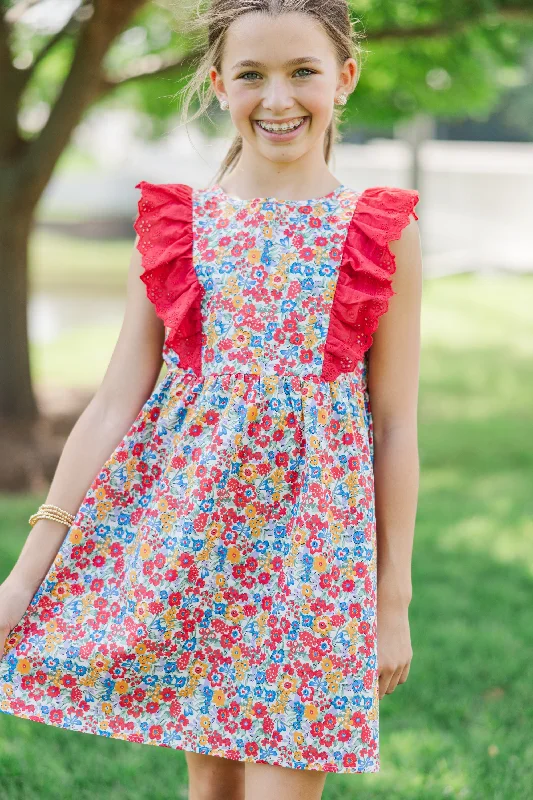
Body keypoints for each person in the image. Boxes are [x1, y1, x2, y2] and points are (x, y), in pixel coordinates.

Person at [0, 1, 422, 798]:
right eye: (251, 75)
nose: (277, 98)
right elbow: (113, 404)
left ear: (345, 78)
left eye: (303, 72)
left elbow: (395, 425)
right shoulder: (178, 226)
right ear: (216, 82)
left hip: (315, 565)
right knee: (212, 791)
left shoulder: (378, 231)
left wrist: (389, 601)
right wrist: (25, 576)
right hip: (193, 550)